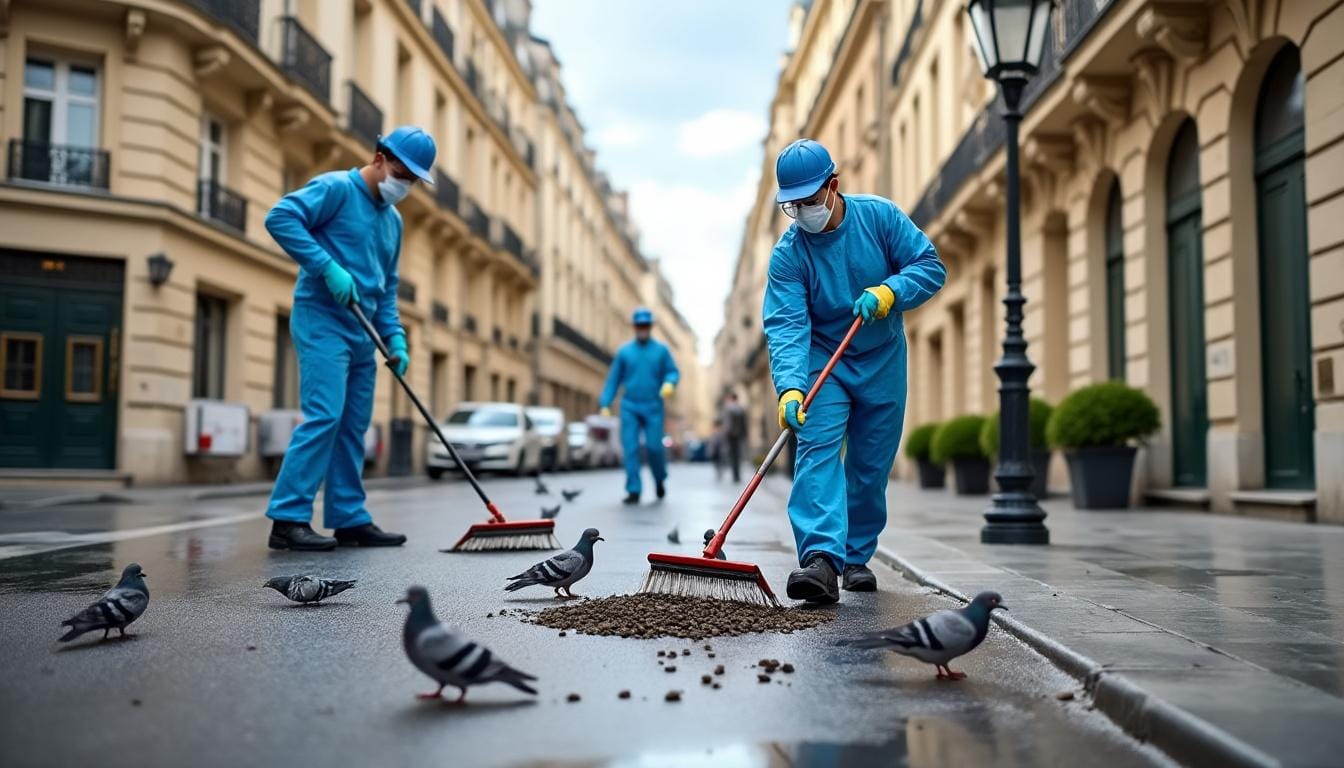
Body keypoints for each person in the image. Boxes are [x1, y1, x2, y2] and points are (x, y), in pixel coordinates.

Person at [764, 138, 945, 603]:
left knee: (869, 466)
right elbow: (786, 323)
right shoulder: (789, 255)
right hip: (824, 362)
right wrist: (789, 388)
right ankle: (821, 561)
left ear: (833, 186)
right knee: (818, 452)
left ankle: (857, 555)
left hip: (882, 358)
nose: (803, 211)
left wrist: (891, 292)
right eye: (793, 204)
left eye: (810, 200)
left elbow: (930, 265)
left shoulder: (879, 217)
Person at [262, 125, 437, 551]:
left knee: (353, 425)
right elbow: (280, 217)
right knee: (325, 415)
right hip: (323, 318)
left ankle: (348, 517)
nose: (405, 185)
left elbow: (388, 286)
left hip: (367, 329)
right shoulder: (336, 188)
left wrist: (395, 339)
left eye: (413, 180)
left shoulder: (392, 221)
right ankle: (287, 518)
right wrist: (326, 266)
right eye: (402, 173)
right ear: (379, 159)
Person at [599, 307, 680, 504]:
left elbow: (673, 371)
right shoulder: (624, 352)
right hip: (630, 406)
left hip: (653, 405)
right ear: (635, 327)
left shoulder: (661, 351)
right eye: (639, 325)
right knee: (631, 448)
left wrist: (669, 383)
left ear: (650, 327)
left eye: (645, 325)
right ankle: (633, 489)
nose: (642, 328)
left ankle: (660, 479)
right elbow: (613, 379)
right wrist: (605, 403)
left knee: (654, 447)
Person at [720, 392, 748, 483]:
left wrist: (725, 434)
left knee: (731, 456)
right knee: (737, 456)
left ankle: (734, 476)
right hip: (739, 436)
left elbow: (728, 424)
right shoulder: (741, 409)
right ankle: (737, 476)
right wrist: (744, 434)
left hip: (731, 436)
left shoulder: (728, 408)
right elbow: (744, 424)